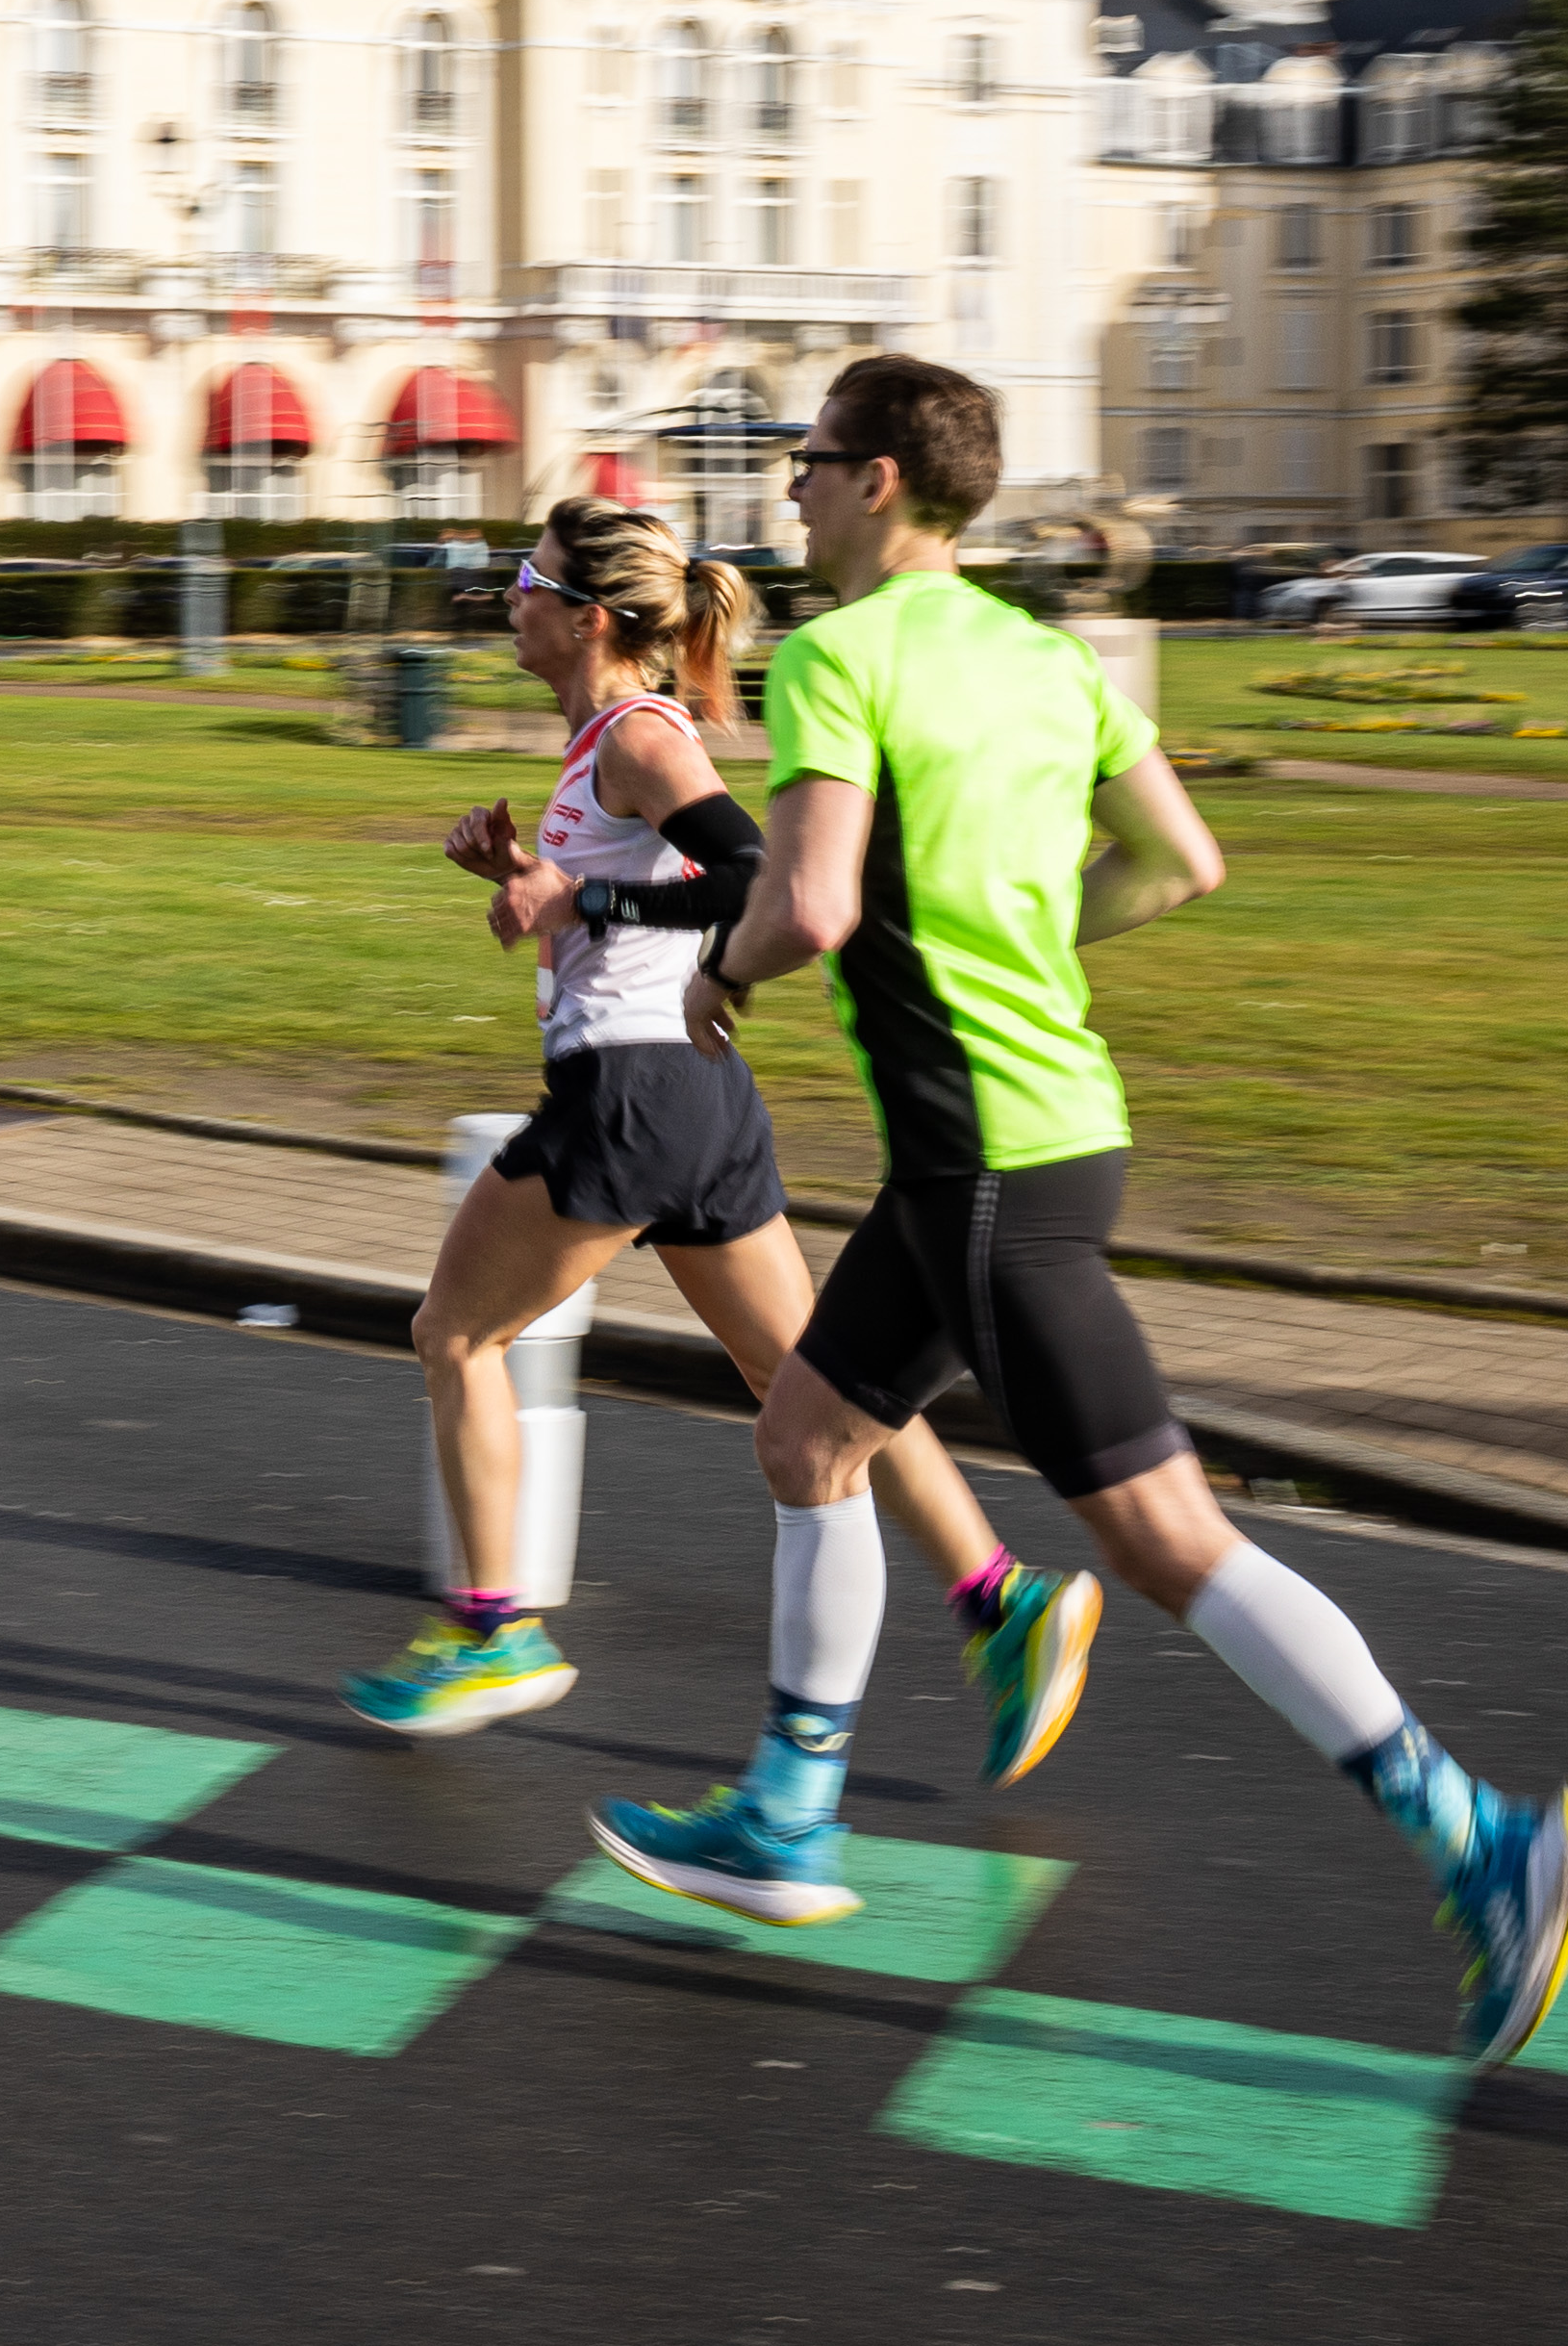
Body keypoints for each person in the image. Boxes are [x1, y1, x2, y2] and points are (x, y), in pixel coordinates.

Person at [603, 354, 1568, 2067]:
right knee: (806, 1436)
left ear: (886, 483)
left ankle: (1477, 1837)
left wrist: (719, 967)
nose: (789, 489)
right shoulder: (1045, 655)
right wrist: (1025, 943)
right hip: (1003, 1147)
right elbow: (1177, 862)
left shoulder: (841, 655)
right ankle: (787, 1811)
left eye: (812, 462)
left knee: (1161, 1536)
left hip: (987, 1159)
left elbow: (814, 901)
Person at [342, 495, 1101, 1807]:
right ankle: (1000, 1601)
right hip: (696, 1102)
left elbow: (754, 875)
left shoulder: (637, 734)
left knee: (450, 1336)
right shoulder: (608, 739)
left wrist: (574, 892)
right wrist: (530, 876)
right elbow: (645, 905)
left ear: (583, 615)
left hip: (626, 1099)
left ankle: (491, 1629)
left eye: (521, 581)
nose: (502, 599)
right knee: (815, 1380)